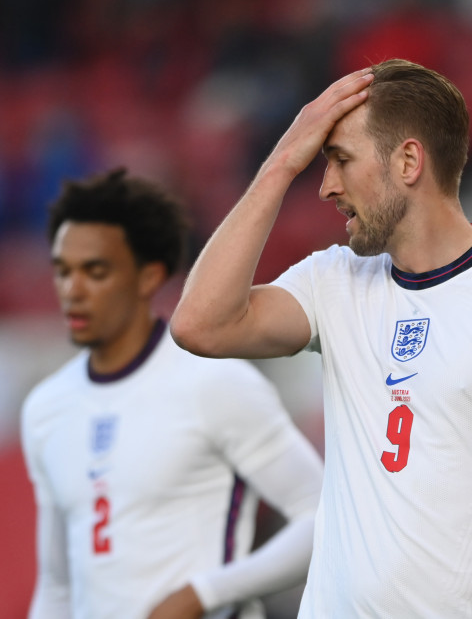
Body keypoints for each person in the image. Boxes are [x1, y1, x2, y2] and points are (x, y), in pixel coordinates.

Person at [169, 59, 472, 617]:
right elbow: (199, 325)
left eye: (339, 160)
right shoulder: (331, 280)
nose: (326, 187)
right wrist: (281, 163)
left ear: (409, 161)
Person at [21, 168, 324, 619]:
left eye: (95, 271)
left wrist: (203, 594)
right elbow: (57, 584)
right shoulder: (44, 408)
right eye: (63, 271)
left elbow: (320, 516)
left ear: (149, 277)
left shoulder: (215, 383)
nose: (72, 290)